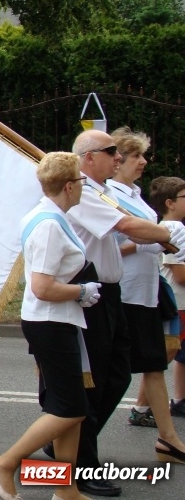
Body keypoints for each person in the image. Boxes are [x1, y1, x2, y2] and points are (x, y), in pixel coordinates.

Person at [55, 129, 185, 496]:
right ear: (88, 157)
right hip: (90, 292)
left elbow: (139, 231)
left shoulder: (106, 191)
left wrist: (160, 235)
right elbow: (128, 227)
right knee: (93, 383)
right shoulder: (84, 192)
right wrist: (169, 233)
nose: (118, 156)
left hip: (111, 293)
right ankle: (82, 466)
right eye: (110, 151)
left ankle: (67, 444)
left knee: (116, 376)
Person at [0, 152, 97, 500]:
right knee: (70, 409)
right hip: (51, 322)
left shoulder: (48, 215)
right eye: (80, 180)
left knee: (70, 409)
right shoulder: (49, 224)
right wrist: (81, 291)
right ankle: (5, 463)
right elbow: (42, 286)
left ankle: (66, 490)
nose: (83, 186)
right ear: (68, 185)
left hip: (56, 322)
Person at [104, 130, 185, 468]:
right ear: (118, 159)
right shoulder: (108, 195)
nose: (143, 162)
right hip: (124, 291)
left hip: (145, 292)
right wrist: (160, 237)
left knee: (153, 363)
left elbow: (150, 238)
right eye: (137, 156)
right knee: (113, 372)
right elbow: (120, 243)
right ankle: (68, 431)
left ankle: (168, 439)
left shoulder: (134, 195)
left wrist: (158, 238)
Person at [148, 176, 185, 419]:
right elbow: (180, 274)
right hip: (178, 303)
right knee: (165, 357)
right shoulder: (176, 228)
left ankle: (179, 400)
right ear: (170, 203)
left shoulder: (167, 226)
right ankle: (145, 406)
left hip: (176, 302)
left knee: (174, 354)